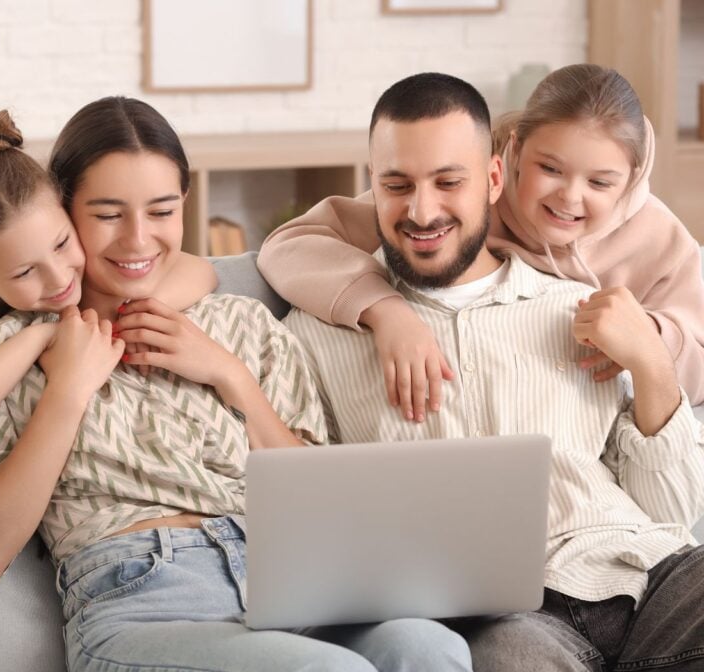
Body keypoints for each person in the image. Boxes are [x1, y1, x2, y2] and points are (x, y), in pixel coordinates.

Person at [0, 98, 489, 672]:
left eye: (162, 211)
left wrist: (231, 378)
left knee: (430, 651)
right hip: (141, 614)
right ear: (64, 213)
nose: (139, 241)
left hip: (283, 589)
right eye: (108, 215)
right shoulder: (12, 355)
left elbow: (320, 511)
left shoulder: (242, 326)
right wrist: (69, 391)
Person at [281, 72, 704, 672]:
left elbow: (671, 513)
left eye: (449, 182)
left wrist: (654, 366)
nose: (422, 210)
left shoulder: (579, 308)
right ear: (372, 185)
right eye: (397, 186)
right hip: (515, 621)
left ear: (492, 177)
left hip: (643, 576)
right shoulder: (320, 327)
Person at [259, 64, 704, 416]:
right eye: (549, 169)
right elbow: (290, 244)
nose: (570, 196)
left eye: (601, 183)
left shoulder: (659, 239)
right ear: (512, 155)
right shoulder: (460, 202)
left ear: (630, 182)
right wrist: (386, 310)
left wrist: (648, 342)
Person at [0, 110, 218, 441]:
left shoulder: (62, 254)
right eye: (26, 271)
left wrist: (122, 320)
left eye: (62, 243)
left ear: (65, 211)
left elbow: (203, 271)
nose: (58, 278)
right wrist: (42, 335)